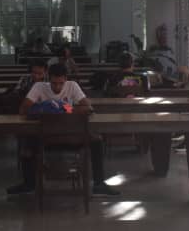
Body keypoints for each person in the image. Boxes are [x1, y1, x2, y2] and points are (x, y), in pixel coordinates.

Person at [9, 63, 120, 197]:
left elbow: (89, 108)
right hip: (46, 140)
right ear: (48, 78)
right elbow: (23, 110)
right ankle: (29, 184)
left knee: (97, 140)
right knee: (26, 141)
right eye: (54, 83)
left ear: (66, 79)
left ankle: (99, 184)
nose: (57, 87)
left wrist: (64, 108)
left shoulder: (72, 86)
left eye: (61, 83)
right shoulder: (39, 87)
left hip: (71, 139)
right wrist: (43, 107)